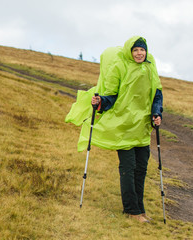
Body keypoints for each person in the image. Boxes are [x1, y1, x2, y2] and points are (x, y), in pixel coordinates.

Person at [66, 36, 163, 223]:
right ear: (129, 51)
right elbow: (110, 95)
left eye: (142, 50)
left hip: (142, 128)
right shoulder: (120, 67)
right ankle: (131, 211)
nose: (139, 53)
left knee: (141, 169)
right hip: (123, 127)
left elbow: (156, 94)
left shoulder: (150, 68)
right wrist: (100, 102)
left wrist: (156, 114)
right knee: (128, 168)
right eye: (135, 50)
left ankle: (140, 209)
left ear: (146, 51)